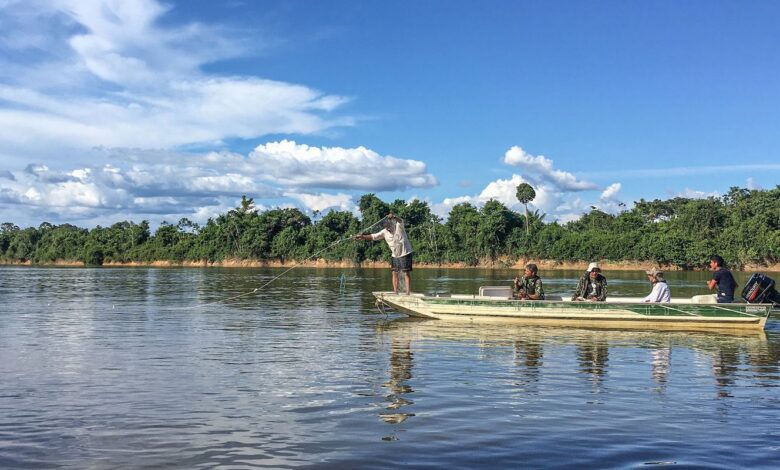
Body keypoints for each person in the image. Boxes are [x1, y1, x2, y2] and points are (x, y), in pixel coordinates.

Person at [355, 213, 413, 295]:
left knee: (406, 273)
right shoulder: (384, 232)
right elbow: (373, 236)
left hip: (405, 253)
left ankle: (407, 292)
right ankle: (395, 292)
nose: (389, 229)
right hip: (395, 255)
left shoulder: (399, 226)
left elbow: (400, 220)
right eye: (387, 227)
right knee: (394, 273)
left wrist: (394, 216)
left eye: (389, 227)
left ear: (392, 224)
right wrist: (362, 237)